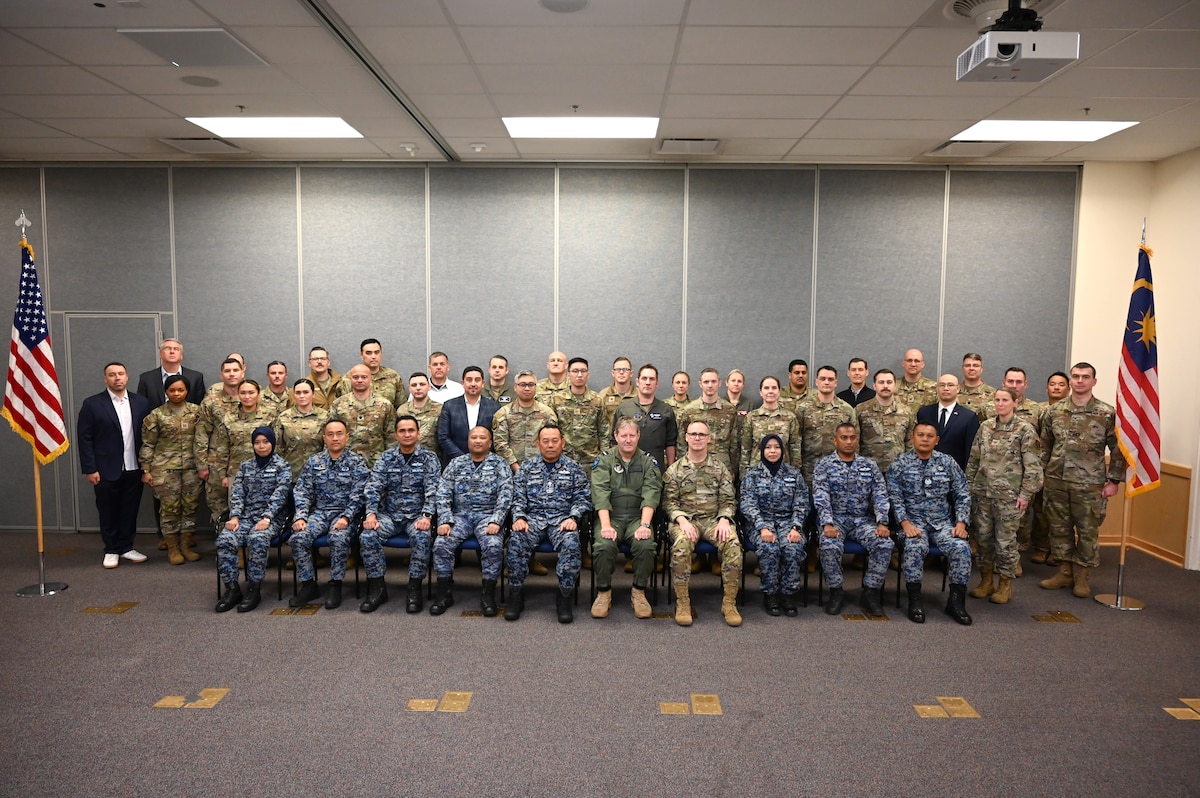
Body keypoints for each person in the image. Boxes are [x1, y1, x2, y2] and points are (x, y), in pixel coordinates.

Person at [1038, 363, 1125, 599]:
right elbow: (1045, 445)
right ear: (1070, 380)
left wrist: (1114, 480)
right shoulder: (1053, 412)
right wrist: (1042, 474)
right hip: (1056, 480)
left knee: (1087, 531)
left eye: (1085, 377)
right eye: (1075, 376)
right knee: (1059, 529)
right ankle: (1064, 572)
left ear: (1094, 382)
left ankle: (1083, 577)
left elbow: (1118, 450)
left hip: (1090, 484)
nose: (1080, 381)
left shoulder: (1106, 413)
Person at [886, 422, 974, 625]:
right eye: (921, 435)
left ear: (937, 440)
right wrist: (904, 523)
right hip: (912, 522)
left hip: (942, 522)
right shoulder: (900, 463)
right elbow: (894, 497)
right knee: (915, 546)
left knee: (961, 547)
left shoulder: (947, 462)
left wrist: (961, 523)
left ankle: (956, 602)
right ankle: (915, 600)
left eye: (929, 436)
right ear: (912, 438)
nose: (925, 439)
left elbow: (962, 493)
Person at [505, 423, 593, 623]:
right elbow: (517, 498)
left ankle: (564, 596)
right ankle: (516, 594)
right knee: (516, 540)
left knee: (571, 544)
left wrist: (574, 517)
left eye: (555, 441)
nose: (550, 445)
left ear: (562, 443)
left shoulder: (574, 468)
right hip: (532, 520)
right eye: (545, 441)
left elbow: (583, 499)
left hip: (562, 521)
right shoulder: (526, 468)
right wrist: (519, 517)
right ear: (538, 444)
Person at [966, 388, 1044, 604]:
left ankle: (1005, 585)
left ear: (1015, 402)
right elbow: (974, 459)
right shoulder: (986, 427)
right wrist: (970, 486)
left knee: (1006, 542)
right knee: (982, 539)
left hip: (1010, 497)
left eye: (1005, 400)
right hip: (983, 494)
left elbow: (1033, 466)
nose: (1000, 404)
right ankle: (986, 581)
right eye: (997, 400)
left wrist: (1026, 494)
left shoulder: (1024, 430)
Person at [663, 420, 743, 627]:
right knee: (681, 545)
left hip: (713, 520)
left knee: (733, 543)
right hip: (685, 520)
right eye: (693, 434)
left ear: (709, 439)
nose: (697, 438)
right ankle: (682, 602)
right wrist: (682, 520)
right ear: (686, 438)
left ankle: (729, 603)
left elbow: (728, 500)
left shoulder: (720, 468)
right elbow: (669, 503)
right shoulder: (675, 470)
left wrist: (725, 519)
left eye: (702, 434)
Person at [360, 415, 441, 613]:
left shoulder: (429, 458)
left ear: (418, 433)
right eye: (402, 431)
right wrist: (371, 514)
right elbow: (373, 487)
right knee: (367, 536)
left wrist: (427, 516)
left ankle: (414, 588)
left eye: (411, 430)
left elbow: (434, 490)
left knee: (423, 537)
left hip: (417, 516)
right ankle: (377, 587)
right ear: (396, 434)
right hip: (390, 515)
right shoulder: (386, 457)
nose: (407, 434)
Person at [288, 419, 370, 610]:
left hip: (345, 515)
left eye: (339, 433)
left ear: (347, 436)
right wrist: (300, 516)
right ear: (324, 438)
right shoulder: (314, 462)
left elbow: (360, 495)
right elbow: (302, 491)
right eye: (330, 434)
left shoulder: (356, 462)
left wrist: (347, 517)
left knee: (338, 537)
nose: (335, 438)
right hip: (320, 513)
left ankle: (335, 584)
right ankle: (309, 585)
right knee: (298, 537)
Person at [813, 423, 892, 617]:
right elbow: (820, 495)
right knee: (829, 544)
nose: (849, 442)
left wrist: (882, 522)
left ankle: (870, 592)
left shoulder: (869, 465)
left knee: (884, 543)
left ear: (857, 440)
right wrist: (827, 523)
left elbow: (881, 494)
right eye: (844, 438)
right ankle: (836, 592)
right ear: (835, 440)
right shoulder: (824, 465)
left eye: (852, 438)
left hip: (861, 520)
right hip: (835, 519)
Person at [432, 426, 513, 616]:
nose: (477, 441)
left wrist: (497, 521)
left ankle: (488, 594)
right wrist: (444, 520)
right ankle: (444, 593)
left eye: (482, 438)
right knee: (441, 543)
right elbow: (442, 493)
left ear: (490, 443)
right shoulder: (456, 463)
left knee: (493, 545)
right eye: (474, 437)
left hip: (488, 517)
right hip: (460, 516)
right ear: (468, 442)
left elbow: (506, 494)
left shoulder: (500, 464)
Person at [77, 361, 151, 568]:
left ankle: (127, 547)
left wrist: (147, 467)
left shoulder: (141, 402)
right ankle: (111, 549)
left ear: (127, 377)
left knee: (129, 509)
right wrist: (90, 468)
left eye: (120, 374)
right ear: (105, 379)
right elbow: (85, 438)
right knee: (108, 510)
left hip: (134, 467)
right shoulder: (92, 404)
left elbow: (148, 437)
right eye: (112, 374)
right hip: (105, 468)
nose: (117, 378)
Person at [590, 417, 661, 619]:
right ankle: (603, 592)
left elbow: (651, 493)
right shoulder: (603, 460)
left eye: (632, 435)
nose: (628, 440)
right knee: (603, 545)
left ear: (638, 436)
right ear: (616, 437)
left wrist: (645, 524)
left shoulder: (648, 461)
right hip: (611, 517)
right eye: (624, 436)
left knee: (646, 544)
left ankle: (639, 591)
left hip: (637, 518)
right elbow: (600, 493)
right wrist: (605, 525)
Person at [215, 427, 291, 613]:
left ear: (272, 443)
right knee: (225, 539)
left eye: (265, 441)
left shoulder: (282, 466)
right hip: (246, 517)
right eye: (257, 442)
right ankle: (232, 589)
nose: (261, 446)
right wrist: (234, 516)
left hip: (272, 518)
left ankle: (253, 588)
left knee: (257, 539)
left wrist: (267, 517)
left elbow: (280, 495)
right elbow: (238, 493)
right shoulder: (245, 466)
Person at [740, 434, 809, 617]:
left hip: (788, 522)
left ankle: (788, 594)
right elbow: (747, 504)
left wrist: (796, 528)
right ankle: (770, 594)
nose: (772, 451)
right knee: (769, 548)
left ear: (782, 450)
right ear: (762, 451)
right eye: (768, 447)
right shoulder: (752, 475)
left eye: (776, 447)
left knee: (793, 547)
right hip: (761, 524)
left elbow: (801, 504)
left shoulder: (794, 474)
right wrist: (762, 527)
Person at [138, 374, 202, 565]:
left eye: (180, 390)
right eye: (172, 390)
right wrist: (146, 470)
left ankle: (185, 546)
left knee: (190, 507)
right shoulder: (156, 415)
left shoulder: (197, 412)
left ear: (187, 391)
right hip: (165, 470)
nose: (176, 393)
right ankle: (173, 548)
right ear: (166, 391)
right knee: (169, 509)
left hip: (191, 468)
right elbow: (148, 444)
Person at [209, 380, 278, 502]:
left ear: (258, 393)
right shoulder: (229, 417)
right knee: (236, 511)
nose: (247, 397)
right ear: (238, 394)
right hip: (236, 473)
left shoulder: (270, 415)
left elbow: (277, 445)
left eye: (251, 392)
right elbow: (222, 448)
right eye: (243, 393)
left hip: (266, 472)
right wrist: (222, 475)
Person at [194, 357, 244, 526]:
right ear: (221, 374)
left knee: (245, 506)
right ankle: (224, 547)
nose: (232, 374)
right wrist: (202, 465)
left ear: (242, 372)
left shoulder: (250, 398)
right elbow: (201, 434)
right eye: (227, 371)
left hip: (243, 463)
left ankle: (242, 549)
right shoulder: (211, 402)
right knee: (219, 507)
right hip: (216, 463)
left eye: (235, 370)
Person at [1030, 371, 1071, 565]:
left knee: (1061, 513)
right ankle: (1041, 547)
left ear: (1068, 388)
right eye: (1052, 384)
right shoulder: (1038, 409)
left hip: (1066, 469)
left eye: (1061, 384)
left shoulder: (1072, 410)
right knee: (1040, 510)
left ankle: (1058, 550)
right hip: (1041, 465)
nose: (1056, 387)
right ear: (1046, 388)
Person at [611, 364, 678, 473]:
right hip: (627, 468)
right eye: (644, 378)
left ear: (657, 383)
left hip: (656, 468)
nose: (648, 382)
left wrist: (670, 469)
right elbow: (614, 440)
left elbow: (671, 443)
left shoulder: (666, 410)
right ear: (637, 381)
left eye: (652, 379)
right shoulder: (624, 408)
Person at [676, 367, 740, 478]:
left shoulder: (729, 410)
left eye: (713, 381)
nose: (710, 385)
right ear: (700, 384)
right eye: (706, 382)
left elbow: (734, 443)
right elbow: (682, 443)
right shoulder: (689, 411)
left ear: (719, 383)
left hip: (722, 467)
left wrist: (733, 469)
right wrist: (683, 468)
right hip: (694, 467)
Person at [798, 365, 857, 485]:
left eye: (830, 379)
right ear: (816, 382)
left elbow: (855, 441)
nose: (826, 382)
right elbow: (796, 441)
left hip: (839, 470)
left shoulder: (847, 410)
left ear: (836, 383)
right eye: (823, 379)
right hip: (809, 470)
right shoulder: (803, 408)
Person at [329, 363, 396, 467]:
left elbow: (391, 438)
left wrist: (389, 464)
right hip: (345, 466)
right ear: (350, 379)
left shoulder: (384, 405)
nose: (359, 380)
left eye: (364, 377)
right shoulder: (338, 405)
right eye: (355, 377)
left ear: (371, 379)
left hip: (376, 466)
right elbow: (330, 437)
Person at [491, 370, 557, 472]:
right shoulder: (503, 414)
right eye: (522, 385)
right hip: (510, 471)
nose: (527, 388)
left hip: (542, 469)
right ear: (515, 387)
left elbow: (551, 442)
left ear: (536, 387)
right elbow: (500, 444)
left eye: (531, 385)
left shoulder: (547, 414)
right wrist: (516, 468)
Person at [855, 368, 915, 475]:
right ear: (874, 385)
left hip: (898, 471)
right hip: (868, 471)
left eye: (889, 382)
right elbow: (855, 442)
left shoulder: (907, 412)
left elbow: (910, 443)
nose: (885, 386)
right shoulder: (861, 410)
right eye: (881, 382)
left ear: (895, 385)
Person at [437, 366, 501, 465]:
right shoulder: (449, 406)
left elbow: (497, 438)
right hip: (455, 464)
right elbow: (443, 437)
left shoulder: (494, 407)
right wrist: (462, 459)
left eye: (477, 380)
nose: (473, 384)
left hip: (486, 465)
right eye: (469, 380)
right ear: (463, 383)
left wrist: (482, 457)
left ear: (483, 383)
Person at [551, 357, 607, 468]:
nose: (579, 375)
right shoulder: (557, 399)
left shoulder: (597, 400)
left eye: (583, 371)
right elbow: (551, 431)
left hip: (591, 461)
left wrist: (604, 459)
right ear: (568, 375)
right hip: (563, 460)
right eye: (575, 371)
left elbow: (604, 432)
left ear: (588, 374)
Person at [915, 374, 980, 472]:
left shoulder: (969, 417)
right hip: (924, 470)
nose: (946, 388)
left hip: (954, 473)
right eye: (942, 385)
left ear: (958, 389)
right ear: (937, 388)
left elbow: (970, 451)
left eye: (950, 385)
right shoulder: (924, 412)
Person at [739, 375, 802, 470]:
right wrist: (744, 475)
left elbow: (795, 449)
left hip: (783, 473)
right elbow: (745, 449)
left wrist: (795, 473)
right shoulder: (751, 417)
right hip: (757, 473)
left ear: (779, 391)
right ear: (760, 392)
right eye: (766, 388)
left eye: (774, 388)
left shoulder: (790, 417)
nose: (770, 391)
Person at [273, 378, 329, 479]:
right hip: (291, 474)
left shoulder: (324, 417)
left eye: (306, 392)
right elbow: (278, 448)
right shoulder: (284, 417)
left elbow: (328, 447)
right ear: (294, 395)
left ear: (313, 394)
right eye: (298, 393)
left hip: (318, 475)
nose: (302, 396)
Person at [135, 338, 206, 406]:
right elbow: (141, 405)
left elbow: (200, 406)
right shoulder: (146, 378)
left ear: (181, 355)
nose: (172, 351)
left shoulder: (196, 377)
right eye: (167, 348)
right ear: (160, 354)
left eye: (176, 349)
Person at [338, 338, 407, 407]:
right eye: (369, 353)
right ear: (362, 355)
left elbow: (401, 406)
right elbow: (341, 407)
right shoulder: (349, 378)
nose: (373, 356)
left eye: (377, 352)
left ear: (381, 354)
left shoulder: (393, 376)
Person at [398, 372, 443, 460]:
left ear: (429, 387)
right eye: (414, 385)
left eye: (422, 384)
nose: (418, 388)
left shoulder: (440, 409)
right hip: (406, 459)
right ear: (409, 388)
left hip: (432, 460)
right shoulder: (402, 410)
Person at [597, 356, 637, 430]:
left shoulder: (639, 395)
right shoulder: (603, 395)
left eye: (625, 369)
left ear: (631, 373)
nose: (621, 372)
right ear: (613, 373)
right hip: (609, 440)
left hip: (632, 439)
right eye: (618, 369)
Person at [957, 353, 995, 418]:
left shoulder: (993, 394)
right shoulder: (953, 392)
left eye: (976, 365)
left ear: (981, 369)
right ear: (963, 368)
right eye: (968, 365)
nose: (971, 368)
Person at [303, 346, 341, 410]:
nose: (319, 362)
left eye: (323, 358)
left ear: (328, 362)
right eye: (315, 359)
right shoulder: (303, 386)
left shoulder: (341, 383)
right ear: (309, 363)